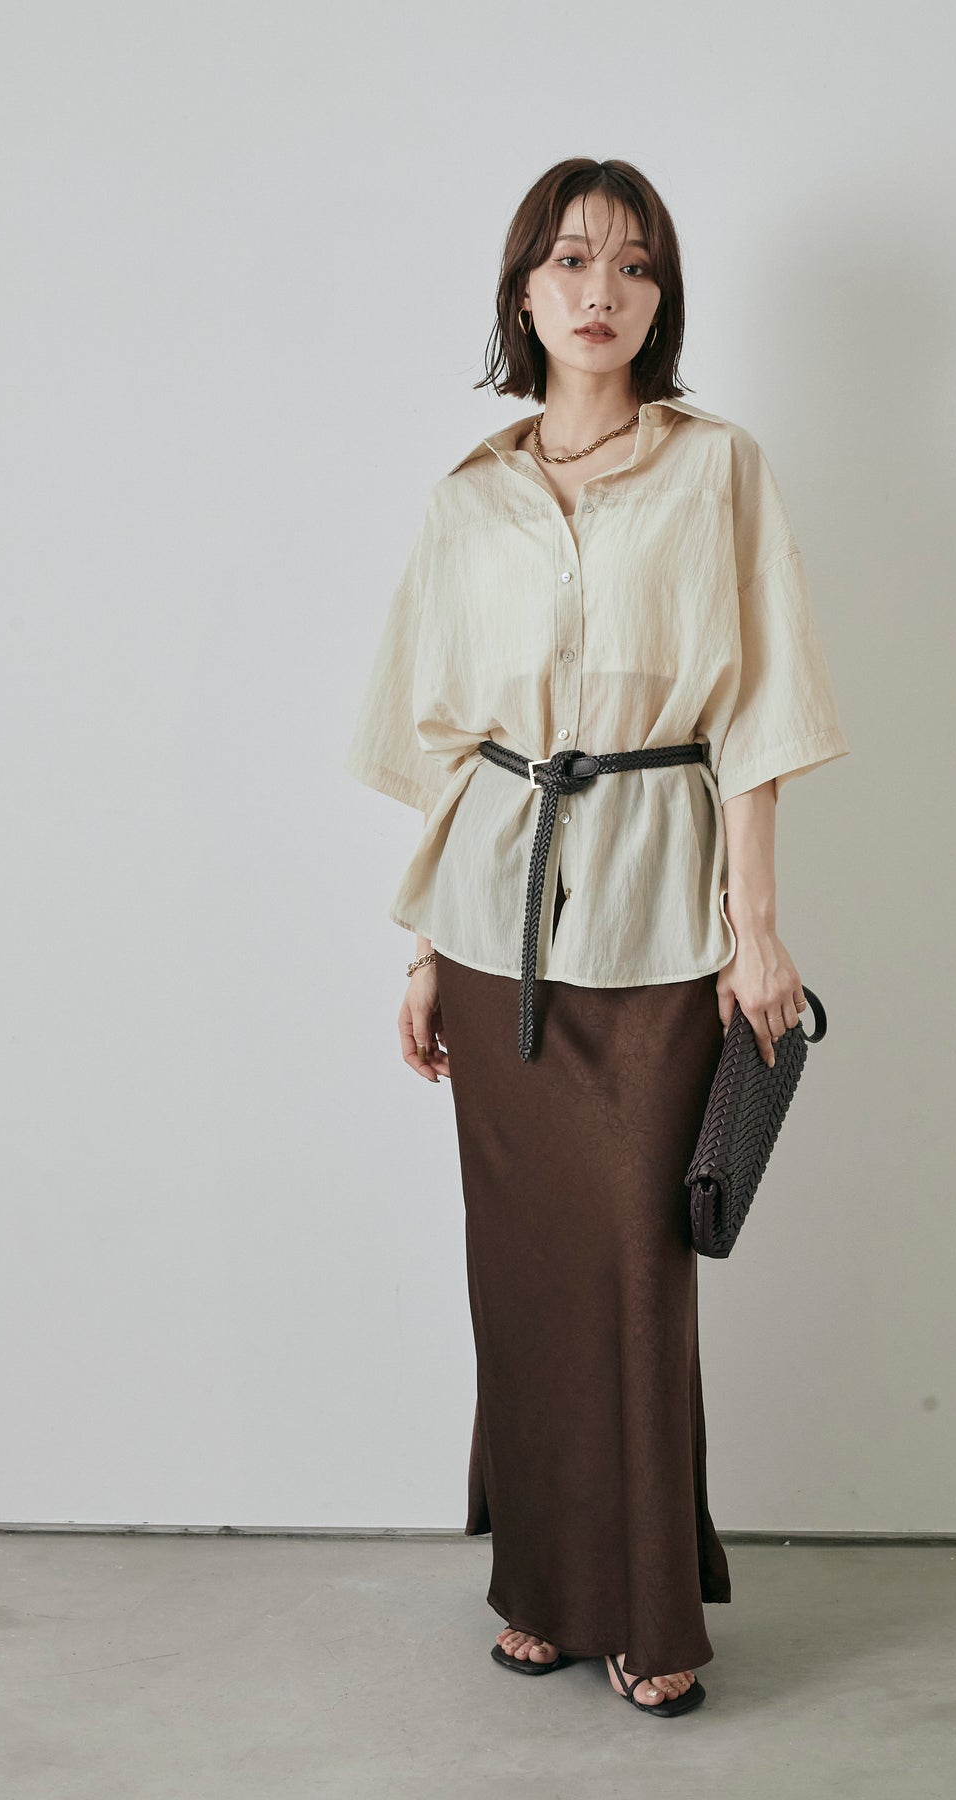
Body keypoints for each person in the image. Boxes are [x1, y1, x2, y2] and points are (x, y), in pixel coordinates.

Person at [344, 158, 850, 1719]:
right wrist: (420, 948)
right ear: (522, 290)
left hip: (656, 913)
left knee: (635, 1266)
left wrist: (753, 930)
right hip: (490, 926)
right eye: (570, 261)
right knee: (523, 1273)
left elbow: (757, 711)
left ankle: (645, 1606)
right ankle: (543, 1591)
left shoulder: (718, 469)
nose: (600, 291)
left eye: (632, 266)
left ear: (659, 299)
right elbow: (442, 736)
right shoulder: (467, 497)